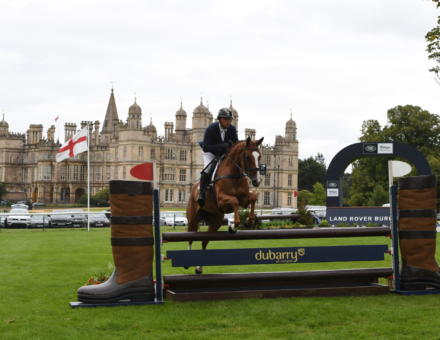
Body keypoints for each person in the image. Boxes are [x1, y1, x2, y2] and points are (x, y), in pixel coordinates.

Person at [197, 108, 239, 206]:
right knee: (208, 169)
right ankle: (201, 193)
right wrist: (222, 145)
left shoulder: (232, 129)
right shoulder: (211, 129)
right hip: (210, 153)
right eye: (226, 119)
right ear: (219, 119)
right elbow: (207, 147)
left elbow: (235, 144)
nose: (228, 122)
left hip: (224, 153)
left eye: (229, 119)